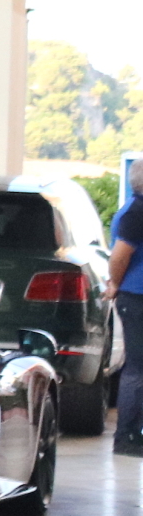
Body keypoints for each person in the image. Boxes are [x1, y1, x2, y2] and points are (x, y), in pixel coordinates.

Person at [111, 188, 143, 456]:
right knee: (137, 368)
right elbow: (120, 255)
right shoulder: (136, 213)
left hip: (135, 295)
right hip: (136, 297)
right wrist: (115, 284)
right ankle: (126, 437)